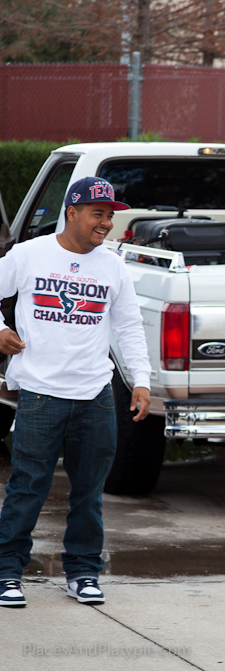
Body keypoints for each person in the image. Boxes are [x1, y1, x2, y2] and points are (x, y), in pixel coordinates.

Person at [0, 177, 151, 608]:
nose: (106, 222)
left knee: (89, 492)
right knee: (27, 489)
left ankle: (83, 573)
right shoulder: (29, 254)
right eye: (97, 213)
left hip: (95, 395)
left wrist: (141, 380)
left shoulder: (113, 266)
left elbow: (128, 326)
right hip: (41, 395)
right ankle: (7, 573)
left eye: (110, 215)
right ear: (72, 212)